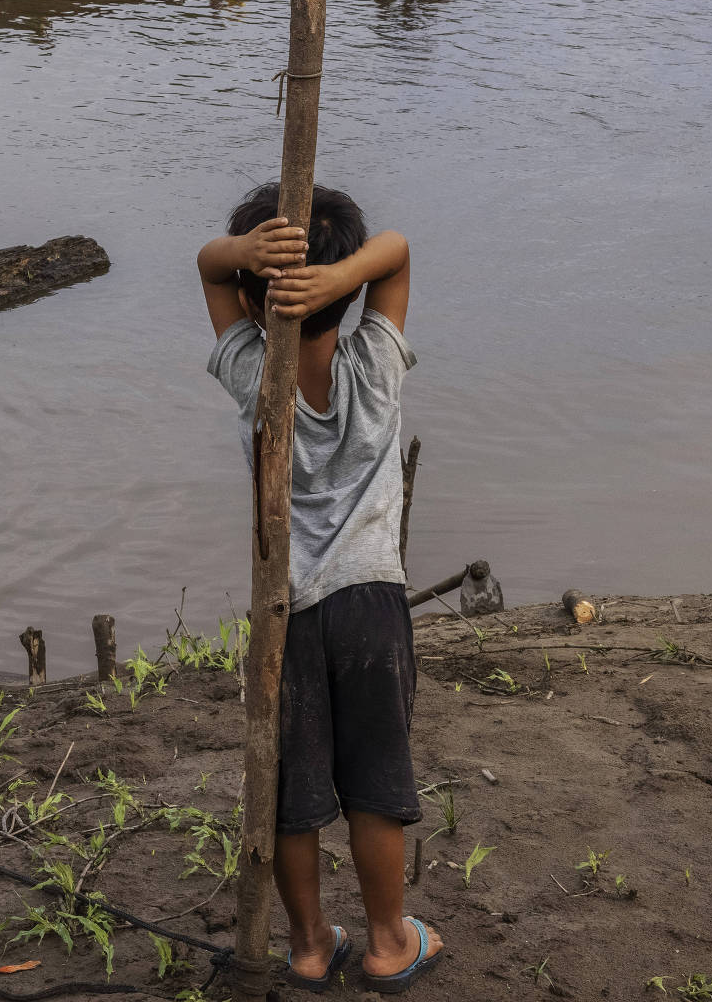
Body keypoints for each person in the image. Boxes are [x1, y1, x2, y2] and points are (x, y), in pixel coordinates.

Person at [196, 184, 444, 993]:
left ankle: (306, 946)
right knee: (377, 784)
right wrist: (337, 279)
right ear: (345, 291)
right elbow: (398, 250)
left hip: (289, 610)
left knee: (291, 790)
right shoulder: (374, 364)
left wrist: (247, 260)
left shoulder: (252, 372)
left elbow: (208, 268)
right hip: (372, 602)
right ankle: (386, 942)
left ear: (249, 296)